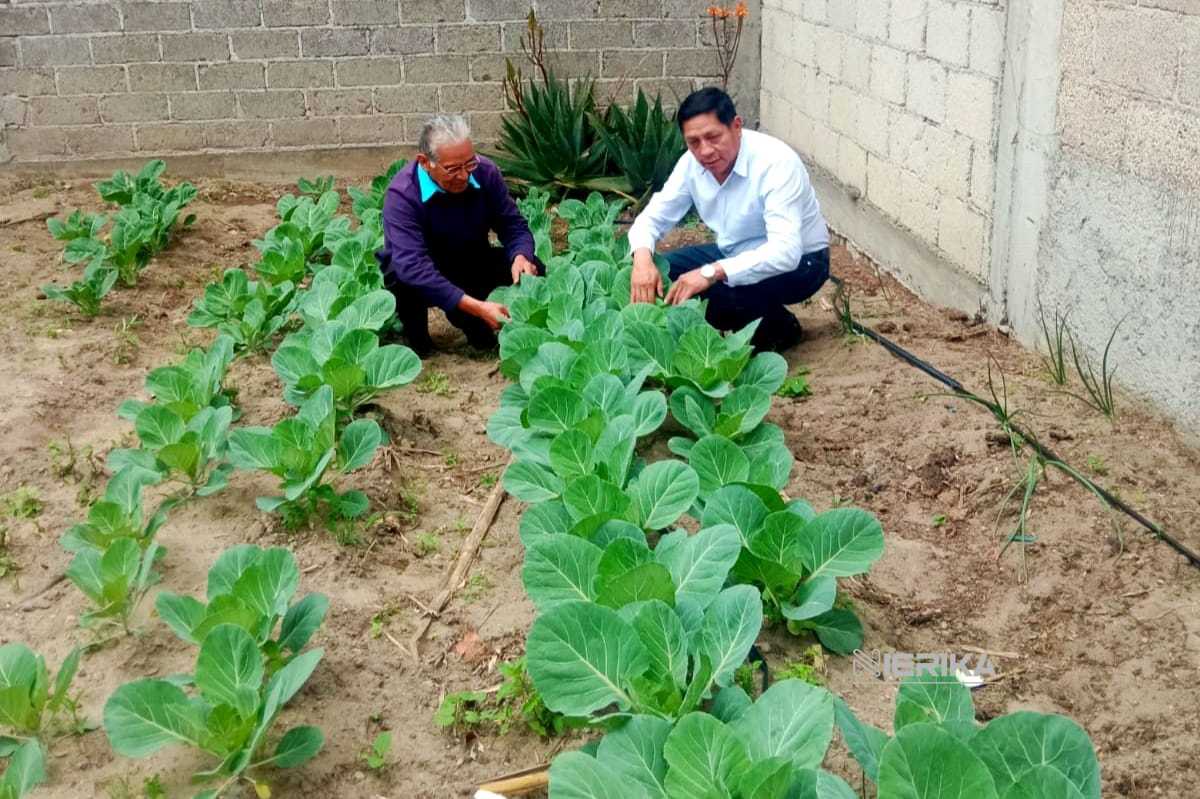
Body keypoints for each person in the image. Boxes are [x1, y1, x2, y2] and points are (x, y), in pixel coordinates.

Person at [626, 87, 831, 352]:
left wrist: (710, 272)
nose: (705, 151)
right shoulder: (691, 164)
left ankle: (779, 328)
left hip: (804, 263)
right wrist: (642, 261)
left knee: (721, 290)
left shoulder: (775, 163)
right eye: (693, 142)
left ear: (736, 126)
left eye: (713, 137)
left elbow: (785, 253)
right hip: (736, 251)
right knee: (666, 270)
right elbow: (652, 218)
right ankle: (758, 317)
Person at [377, 114, 540, 356]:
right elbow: (412, 266)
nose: (464, 175)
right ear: (425, 162)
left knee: (534, 269)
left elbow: (512, 225)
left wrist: (521, 255)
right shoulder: (403, 195)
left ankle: (472, 319)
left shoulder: (485, 172)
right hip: (419, 273)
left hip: (469, 258)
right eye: (453, 169)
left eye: (469, 164)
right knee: (403, 282)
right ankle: (421, 337)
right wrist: (476, 307)